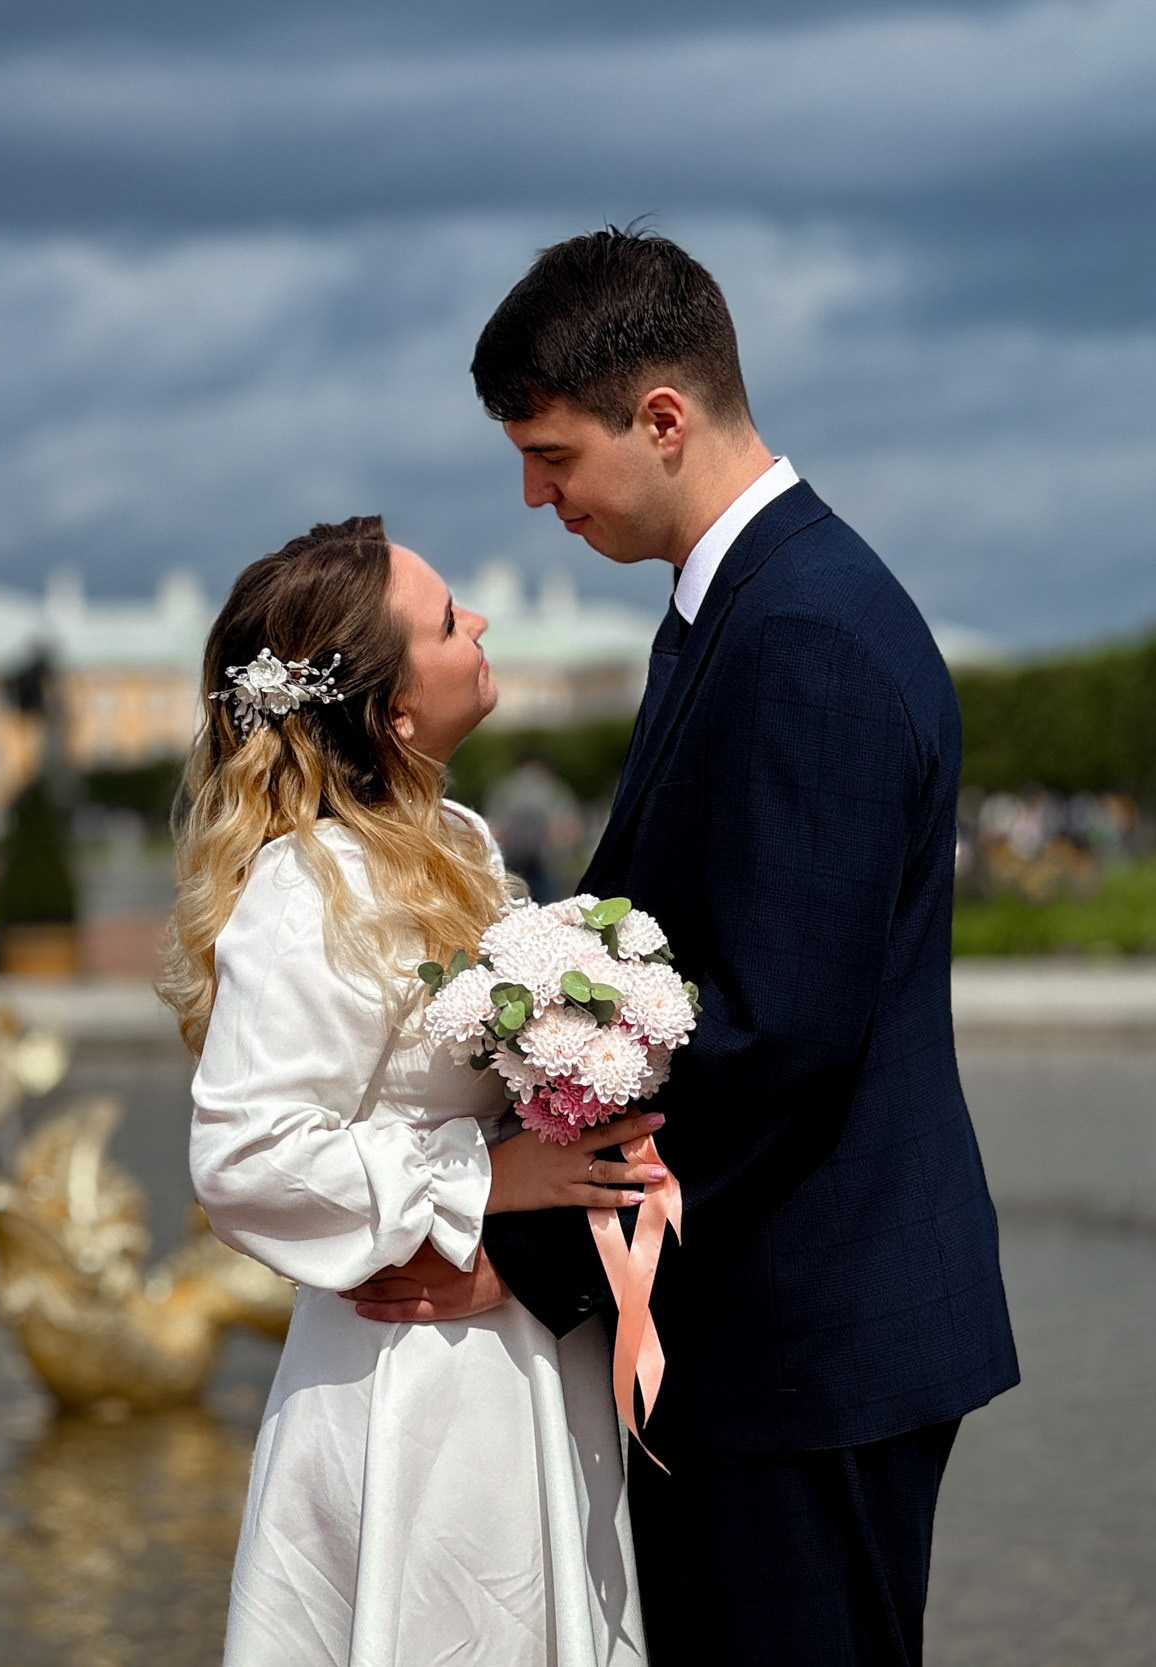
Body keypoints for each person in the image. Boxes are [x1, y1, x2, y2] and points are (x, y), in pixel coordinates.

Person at [347, 227, 1019, 1665]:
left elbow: (778, 1030)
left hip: (803, 1337)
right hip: (789, 1324)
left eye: (551, 454)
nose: (534, 495)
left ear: (662, 417)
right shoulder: (748, 605)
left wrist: (531, 1260)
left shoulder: (804, 636)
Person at [175, 516, 657, 1666]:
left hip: (513, 1343)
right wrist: (482, 1173)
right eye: (447, 619)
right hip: (410, 1377)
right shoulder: (310, 883)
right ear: (390, 708)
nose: (478, 622)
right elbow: (242, 1154)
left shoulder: (462, 838)